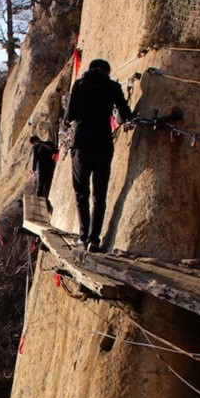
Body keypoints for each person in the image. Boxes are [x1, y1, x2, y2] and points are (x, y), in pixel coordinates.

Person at [66, 58, 134, 252]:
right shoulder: (112, 86)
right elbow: (126, 113)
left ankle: (83, 234)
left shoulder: (79, 85)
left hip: (81, 145)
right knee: (99, 195)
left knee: (81, 193)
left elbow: (69, 115)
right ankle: (94, 240)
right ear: (107, 71)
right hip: (103, 144)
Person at [29, 135, 58, 202]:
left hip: (41, 167)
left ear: (34, 141)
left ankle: (38, 202)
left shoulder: (36, 147)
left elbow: (35, 159)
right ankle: (46, 199)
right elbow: (56, 152)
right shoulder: (49, 143)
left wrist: (33, 169)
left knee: (40, 184)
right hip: (51, 165)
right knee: (48, 183)